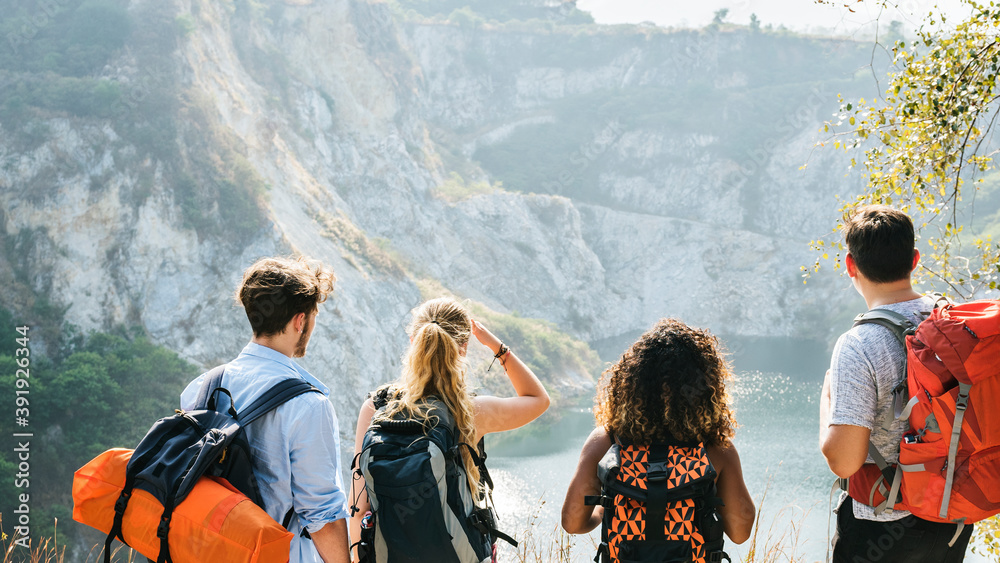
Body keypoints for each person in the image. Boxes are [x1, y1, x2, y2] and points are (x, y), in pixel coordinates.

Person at [819, 204, 974, 562]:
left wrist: (826, 401)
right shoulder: (949, 320)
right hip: (951, 516)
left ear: (850, 265)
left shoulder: (858, 344)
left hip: (881, 525)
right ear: (915, 259)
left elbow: (844, 462)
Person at [348, 297, 550, 563]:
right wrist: (497, 348)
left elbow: (358, 505)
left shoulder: (376, 407)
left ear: (413, 343)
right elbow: (538, 399)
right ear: (463, 349)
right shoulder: (469, 412)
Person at [180, 256, 350, 563]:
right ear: (300, 321)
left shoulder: (200, 388)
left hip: (203, 551)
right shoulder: (308, 406)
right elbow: (321, 514)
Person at [561, 318, 756, 560]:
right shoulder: (715, 448)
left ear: (631, 383)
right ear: (706, 389)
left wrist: (607, 507)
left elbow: (572, 523)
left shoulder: (607, 441)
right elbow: (740, 533)